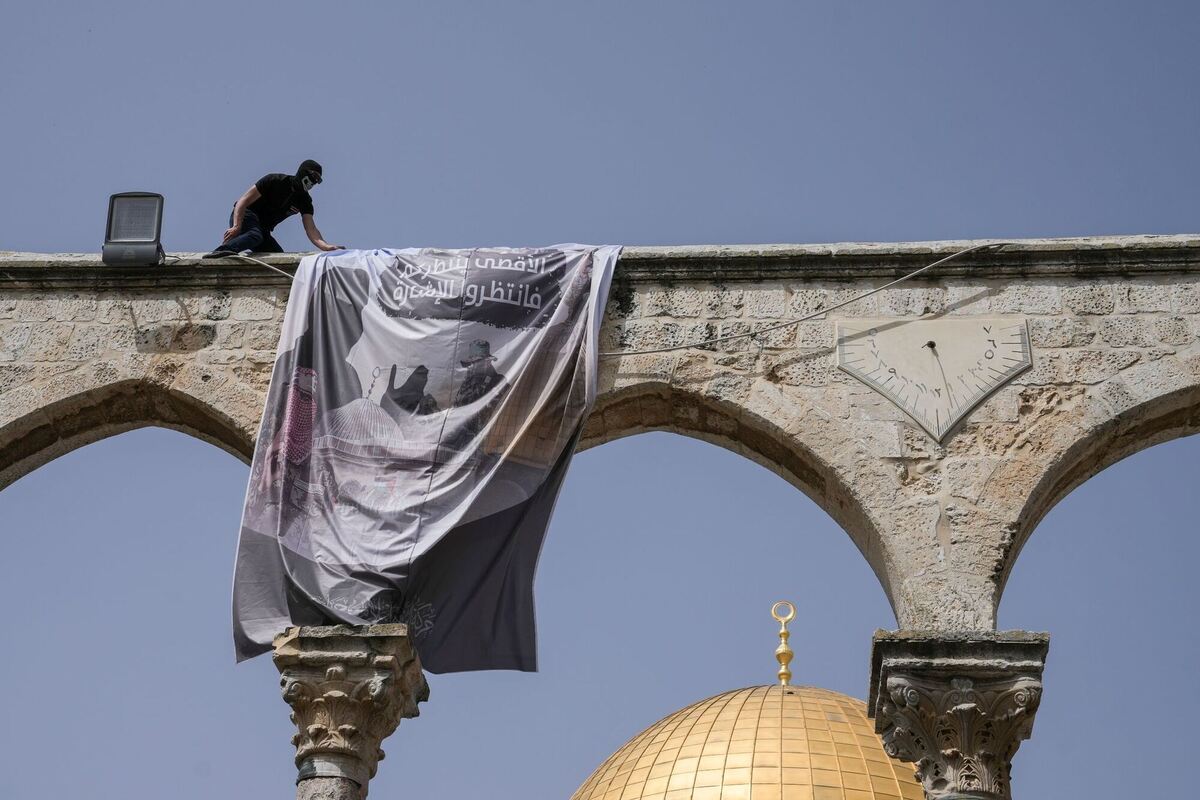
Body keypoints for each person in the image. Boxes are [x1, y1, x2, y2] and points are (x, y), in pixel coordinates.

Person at [204, 159, 342, 258]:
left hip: (262, 230)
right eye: (314, 176)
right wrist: (236, 226)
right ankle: (222, 251)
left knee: (278, 257)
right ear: (303, 172)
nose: (314, 182)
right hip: (245, 216)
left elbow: (311, 228)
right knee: (254, 235)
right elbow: (243, 201)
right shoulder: (275, 180)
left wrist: (325, 246)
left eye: (318, 181)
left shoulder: (304, 201)